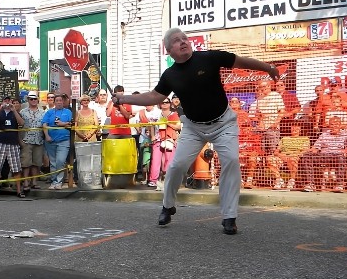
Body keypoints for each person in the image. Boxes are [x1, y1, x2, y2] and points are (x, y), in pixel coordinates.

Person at [112, 27, 278, 234]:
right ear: (168, 50)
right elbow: (154, 97)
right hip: (193, 127)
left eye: (184, 38)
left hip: (224, 123)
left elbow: (242, 61)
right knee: (176, 166)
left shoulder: (209, 57)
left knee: (231, 162)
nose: (183, 41)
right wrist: (123, 98)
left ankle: (229, 216)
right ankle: (167, 206)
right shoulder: (170, 75)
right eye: (176, 40)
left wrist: (268, 68)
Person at [299, 116, 347, 193]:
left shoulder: (346, 135)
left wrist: (344, 152)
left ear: (340, 125)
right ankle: (310, 183)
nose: (334, 126)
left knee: (341, 158)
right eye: (332, 124)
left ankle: (339, 184)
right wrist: (306, 151)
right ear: (329, 126)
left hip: (337, 156)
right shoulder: (324, 135)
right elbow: (316, 148)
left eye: (337, 124)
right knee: (307, 157)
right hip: (324, 155)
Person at [0, 96, 25, 198]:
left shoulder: (15, 112)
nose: (7, 103)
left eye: (9, 101)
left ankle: (18, 191)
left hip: (13, 143)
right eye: (5, 101)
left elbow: (21, 123)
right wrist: (0, 109)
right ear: (2, 102)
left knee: (16, 168)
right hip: (0, 142)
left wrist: (14, 110)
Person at [42, 94, 73, 190]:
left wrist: (62, 124)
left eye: (61, 100)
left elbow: (70, 123)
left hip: (63, 140)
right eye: (57, 100)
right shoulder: (49, 112)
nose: (59, 102)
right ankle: (54, 181)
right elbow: (44, 124)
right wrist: (47, 135)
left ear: (63, 102)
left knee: (60, 161)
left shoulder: (68, 112)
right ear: (54, 102)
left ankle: (59, 181)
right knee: (53, 162)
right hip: (51, 141)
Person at [148, 97, 180, 188]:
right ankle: (153, 180)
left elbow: (178, 127)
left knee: (169, 160)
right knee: (155, 160)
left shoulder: (174, 114)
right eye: (162, 102)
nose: (164, 104)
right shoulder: (156, 114)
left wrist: (168, 123)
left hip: (170, 139)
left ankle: (167, 179)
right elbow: (151, 125)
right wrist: (153, 136)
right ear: (159, 104)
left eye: (166, 102)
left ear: (170, 104)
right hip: (158, 138)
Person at [268, 121, 309, 190]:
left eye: (297, 127)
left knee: (292, 159)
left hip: (295, 157)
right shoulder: (284, 139)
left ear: (300, 129)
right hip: (283, 157)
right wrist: (281, 155)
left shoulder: (305, 139)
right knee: (270, 158)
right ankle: (279, 180)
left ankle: (292, 181)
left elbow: (306, 150)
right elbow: (276, 151)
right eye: (293, 127)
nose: (294, 129)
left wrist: (293, 155)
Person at [20, 91, 45, 191]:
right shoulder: (23, 112)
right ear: (28, 100)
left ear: (38, 100)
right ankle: (26, 181)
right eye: (31, 99)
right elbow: (19, 126)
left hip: (38, 139)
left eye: (35, 99)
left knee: (37, 162)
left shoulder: (43, 112)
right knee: (26, 162)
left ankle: (34, 182)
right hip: (26, 139)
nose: (33, 100)